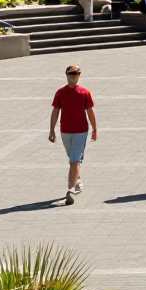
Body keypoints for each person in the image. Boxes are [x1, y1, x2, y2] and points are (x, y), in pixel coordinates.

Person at [49, 64, 97, 206]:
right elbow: (55, 111)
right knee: (72, 159)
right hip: (65, 131)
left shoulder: (84, 92)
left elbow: (90, 111)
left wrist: (94, 129)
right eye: (70, 74)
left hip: (81, 131)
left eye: (75, 74)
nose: (72, 76)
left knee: (75, 161)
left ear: (79, 76)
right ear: (66, 75)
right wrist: (51, 130)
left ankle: (70, 190)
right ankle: (78, 181)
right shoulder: (60, 92)